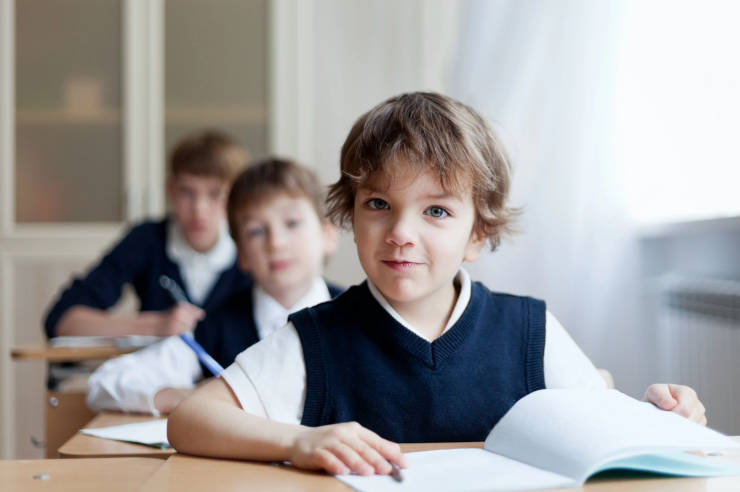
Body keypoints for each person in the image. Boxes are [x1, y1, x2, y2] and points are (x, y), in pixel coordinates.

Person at [168, 93, 706, 477]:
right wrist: (300, 441)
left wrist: (663, 416)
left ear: (478, 234)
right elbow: (191, 419)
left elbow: (599, 420)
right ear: (350, 218)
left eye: (437, 211)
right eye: (378, 205)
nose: (401, 233)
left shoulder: (527, 329)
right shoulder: (317, 337)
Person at [87, 158, 342, 415]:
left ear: (328, 235)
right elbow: (104, 384)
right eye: (256, 231)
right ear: (240, 253)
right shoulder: (216, 326)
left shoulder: (362, 317)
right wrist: (184, 396)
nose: (275, 243)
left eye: (292, 224)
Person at [44, 130, 251, 339]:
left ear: (236, 198)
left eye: (215, 194)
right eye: (187, 192)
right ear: (170, 190)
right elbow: (64, 321)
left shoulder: (252, 246)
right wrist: (156, 326)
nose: (199, 209)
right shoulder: (147, 240)